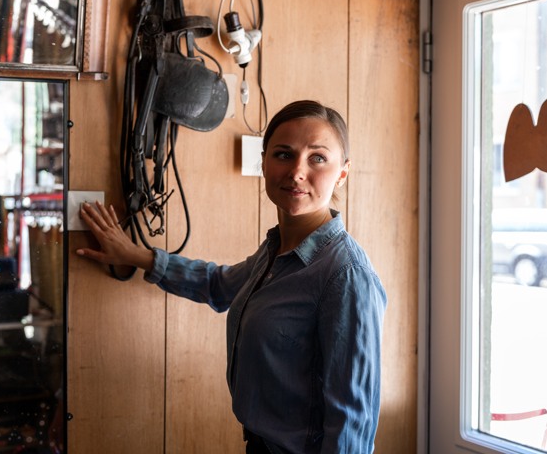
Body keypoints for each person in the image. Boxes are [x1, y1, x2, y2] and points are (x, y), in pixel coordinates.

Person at [76, 100, 387, 454]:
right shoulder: (277, 251)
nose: (297, 171)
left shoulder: (346, 276)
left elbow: (352, 423)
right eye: (283, 154)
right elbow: (218, 285)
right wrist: (133, 255)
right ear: (264, 162)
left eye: (317, 158)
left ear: (342, 173)